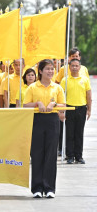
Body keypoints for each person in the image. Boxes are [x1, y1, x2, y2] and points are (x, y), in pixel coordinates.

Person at [24, 59, 66, 198]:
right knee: (37, 154)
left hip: (52, 122)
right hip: (37, 121)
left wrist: (53, 105)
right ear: (40, 71)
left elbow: (63, 105)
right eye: (47, 69)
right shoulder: (32, 88)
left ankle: (49, 188)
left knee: (50, 155)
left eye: (52, 68)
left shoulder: (57, 88)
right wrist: (37, 103)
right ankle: (37, 188)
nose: (50, 71)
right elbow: (25, 105)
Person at [60, 59, 92, 164]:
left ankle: (79, 156)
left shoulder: (85, 79)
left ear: (80, 67)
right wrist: (61, 111)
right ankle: (70, 156)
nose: (74, 67)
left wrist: (89, 109)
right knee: (69, 134)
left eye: (76, 66)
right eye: (72, 65)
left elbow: (88, 95)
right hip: (69, 108)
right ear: (69, 67)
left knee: (79, 133)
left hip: (81, 108)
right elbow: (60, 96)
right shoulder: (65, 80)